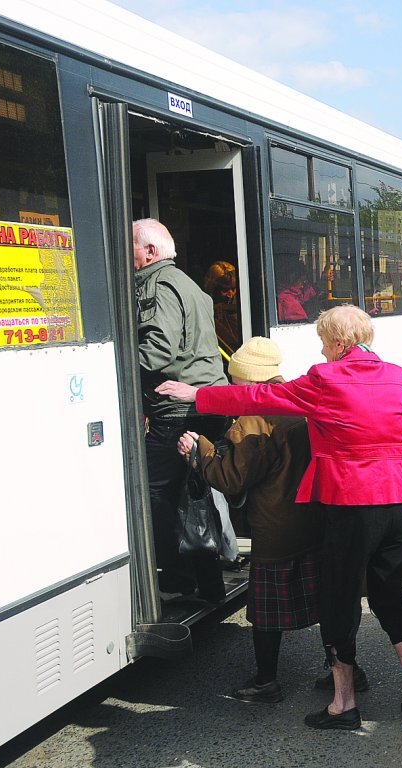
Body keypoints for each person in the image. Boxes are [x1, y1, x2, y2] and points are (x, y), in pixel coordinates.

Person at [156, 305, 402, 731]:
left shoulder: (326, 379)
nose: (321, 352)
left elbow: (259, 396)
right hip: (398, 504)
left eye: (324, 343)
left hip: (350, 504)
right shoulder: (397, 375)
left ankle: (344, 703)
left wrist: (197, 395)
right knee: (390, 598)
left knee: (338, 602)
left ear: (340, 343)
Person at [176, 337, 321, 702]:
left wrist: (200, 451)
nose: (231, 388)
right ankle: (346, 671)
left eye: (234, 381)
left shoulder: (255, 419)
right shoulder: (299, 401)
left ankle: (266, 681)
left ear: (249, 381)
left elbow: (232, 478)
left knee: (266, 611)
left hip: (276, 526)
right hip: (315, 518)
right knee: (327, 601)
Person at [133, 218, 230, 603]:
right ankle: (209, 585)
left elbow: (158, 350)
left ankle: (176, 577)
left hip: (178, 409)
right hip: (205, 404)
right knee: (196, 495)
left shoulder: (158, 285)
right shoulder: (187, 284)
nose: (130, 259)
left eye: (133, 250)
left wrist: (114, 366)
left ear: (151, 252)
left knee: (158, 494)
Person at [203, 260, 241, 358]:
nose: (230, 294)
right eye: (225, 290)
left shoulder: (242, 307)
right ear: (213, 288)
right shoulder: (205, 310)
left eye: (233, 289)